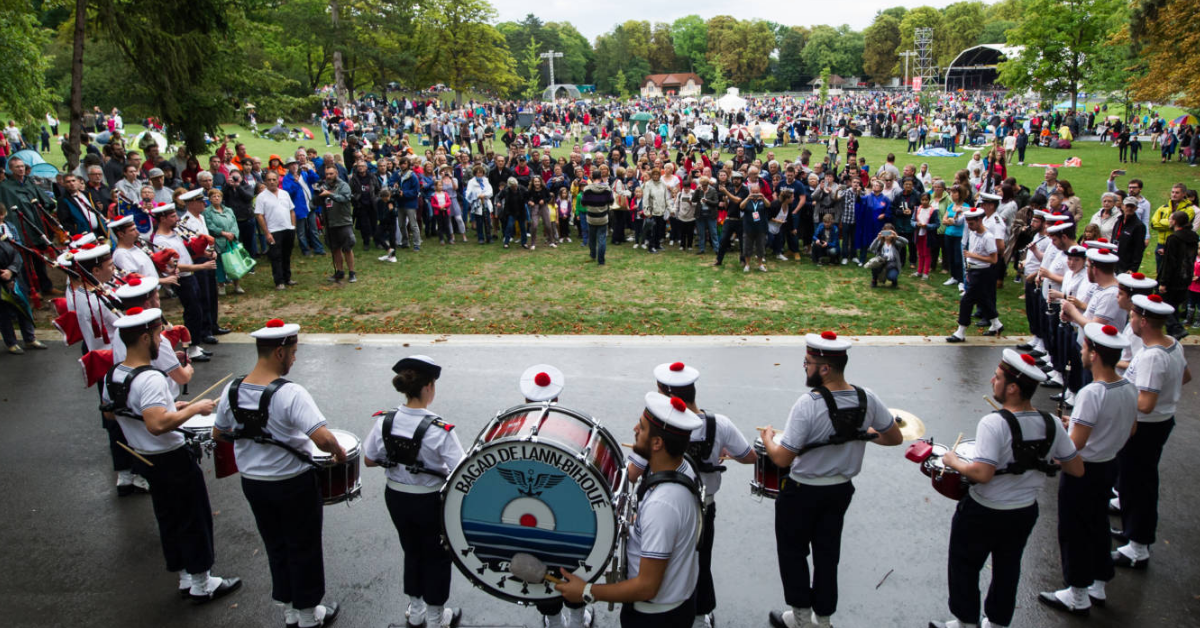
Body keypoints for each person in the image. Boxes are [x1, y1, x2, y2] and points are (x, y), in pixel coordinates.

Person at [929, 350, 1083, 628]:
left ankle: (966, 622)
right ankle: (998, 623)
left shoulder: (994, 423)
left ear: (1012, 387)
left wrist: (954, 461)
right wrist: (1044, 455)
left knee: (964, 566)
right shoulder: (1052, 424)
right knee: (1008, 568)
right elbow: (1076, 468)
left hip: (983, 511)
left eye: (997, 377)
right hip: (1023, 511)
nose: (992, 380)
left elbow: (982, 473)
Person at [760, 331, 903, 628]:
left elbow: (782, 458)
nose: (805, 367)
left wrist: (769, 439)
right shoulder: (868, 398)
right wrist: (864, 434)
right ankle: (822, 620)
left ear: (824, 368)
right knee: (828, 555)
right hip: (840, 491)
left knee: (793, 553)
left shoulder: (808, 404)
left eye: (808, 362)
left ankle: (800, 619)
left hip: (801, 491)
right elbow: (894, 437)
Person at [101, 306, 242, 604]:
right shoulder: (150, 379)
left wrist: (168, 408)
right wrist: (192, 408)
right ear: (143, 338)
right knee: (194, 517)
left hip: (145, 458)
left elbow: (114, 415)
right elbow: (156, 424)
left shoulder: (114, 374)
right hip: (171, 456)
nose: (160, 340)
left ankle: (185, 578)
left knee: (169, 519)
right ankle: (203, 583)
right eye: (156, 334)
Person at [212, 318, 347, 628]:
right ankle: (308, 616)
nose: (295, 358)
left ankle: (288, 610)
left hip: (254, 484)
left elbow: (219, 434)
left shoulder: (232, 389)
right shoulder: (291, 393)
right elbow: (323, 439)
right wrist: (338, 452)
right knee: (304, 545)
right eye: (294, 352)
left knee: (275, 544)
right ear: (280, 352)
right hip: (293, 484)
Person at [556, 392, 703, 628]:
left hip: (655, 618)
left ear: (657, 443)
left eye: (642, 428)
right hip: (677, 603)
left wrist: (586, 590)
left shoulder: (662, 504)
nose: (635, 429)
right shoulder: (684, 467)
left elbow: (647, 586)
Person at [627, 361, 755, 628]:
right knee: (701, 560)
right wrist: (724, 451)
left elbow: (632, 474)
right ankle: (700, 617)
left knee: (668, 565)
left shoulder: (656, 433)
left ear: (665, 395)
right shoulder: (720, 424)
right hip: (705, 508)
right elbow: (749, 457)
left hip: (663, 507)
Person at [1037, 323, 1136, 617]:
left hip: (1083, 471)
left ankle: (1077, 593)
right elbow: (1130, 428)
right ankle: (1098, 583)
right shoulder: (1128, 387)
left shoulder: (1092, 393)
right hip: (1108, 465)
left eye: (1084, 347)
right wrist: (1080, 425)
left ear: (1094, 354)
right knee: (1097, 524)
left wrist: (1058, 435)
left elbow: (1074, 446)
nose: (1080, 351)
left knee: (1074, 529)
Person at [363, 355, 465, 628]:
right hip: (430, 500)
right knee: (437, 554)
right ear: (429, 386)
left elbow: (369, 459)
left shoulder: (385, 421)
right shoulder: (439, 429)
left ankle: (416, 608)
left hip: (395, 497)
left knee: (411, 549)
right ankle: (435, 617)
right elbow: (462, 470)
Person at [1111, 294, 1191, 569]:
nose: (1130, 319)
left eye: (1133, 315)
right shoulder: (1173, 345)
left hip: (1145, 428)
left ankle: (1138, 547)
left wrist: (1118, 403)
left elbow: (1145, 404)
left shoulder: (1153, 357)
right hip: (1159, 423)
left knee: (1139, 484)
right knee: (1134, 482)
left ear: (1143, 321)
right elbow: (1186, 376)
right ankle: (1132, 532)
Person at [946, 209, 1002, 341]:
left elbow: (993, 259)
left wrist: (973, 256)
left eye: (971, 224)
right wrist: (968, 270)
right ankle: (996, 324)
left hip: (982, 273)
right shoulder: (973, 233)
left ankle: (961, 331)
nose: (969, 227)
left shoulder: (988, 237)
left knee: (966, 301)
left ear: (979, 220)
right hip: (973, 271)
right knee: (983, 299)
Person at [1157, 211, 1198, 339]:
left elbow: (1170, 263)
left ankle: (1176, 328)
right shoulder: (1193, 237)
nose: (1169, 221)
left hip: (1173, 278)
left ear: (1175, 221)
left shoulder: (1174, 238)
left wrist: (1163, 282)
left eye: (1170, 219)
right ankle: (1175, 332)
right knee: (1174, 305)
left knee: (1162, 302)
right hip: (1186, 276)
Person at [581, 171, 614, 265]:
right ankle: (601, 261)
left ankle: (592, 254)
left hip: (591, 217)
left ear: (591, 177)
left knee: (592, 238)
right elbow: (611, 201)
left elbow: (583, 203)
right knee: (602, 239)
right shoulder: (607, 188)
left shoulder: (587, 189)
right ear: (601, 177)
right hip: (603, 217)